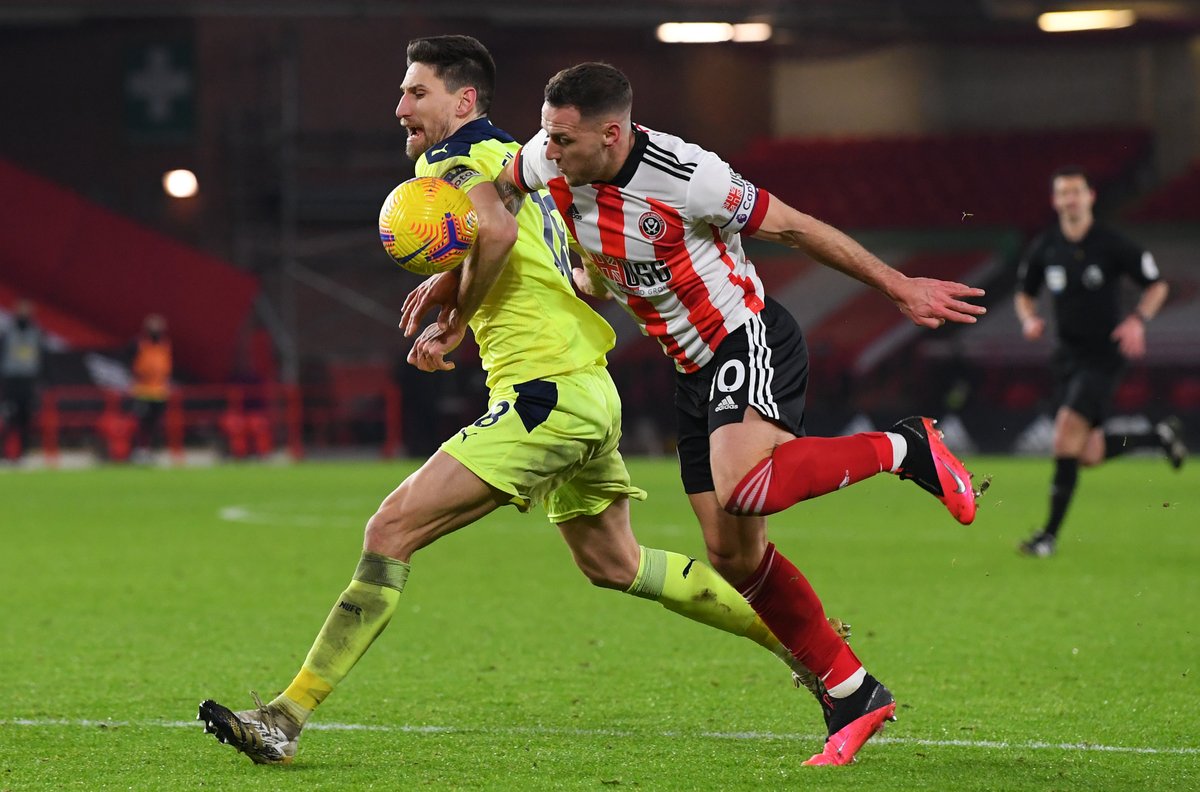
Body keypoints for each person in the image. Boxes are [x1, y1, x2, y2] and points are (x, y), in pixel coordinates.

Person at [197, 35, 848, 766]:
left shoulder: (453, 164)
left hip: (547, 393)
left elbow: (498, 232)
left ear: (463, 100)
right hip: (584, 387)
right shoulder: (526, 156)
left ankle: (285, 717)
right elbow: (528, 242)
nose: (401, 106)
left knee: (390, 530)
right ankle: (810, 654)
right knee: (615, 562)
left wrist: (451, 321)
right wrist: (456, 285)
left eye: (417, 92)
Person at [480, 62, 988, 766]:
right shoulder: (547, 156)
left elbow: (796, 228)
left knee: (746, 485)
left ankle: (907, 447)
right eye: (546, 136)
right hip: (690, 369)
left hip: (745, 336)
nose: (549, 151)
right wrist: (458, 286)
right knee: (733, 555)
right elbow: (494, 188)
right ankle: (853, 691)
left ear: (612, 133)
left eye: (564, 140)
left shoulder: (690, 175)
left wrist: (897, 286)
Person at [1014, 166, 1185, 558]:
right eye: (1062, 193)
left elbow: (1157, 284)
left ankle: (1048, 537)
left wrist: (1138, 320)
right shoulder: (1046, 246)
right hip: (1066, 357)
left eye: (1076, 192)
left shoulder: (1110, 243)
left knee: (1064, 433)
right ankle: (1156, 437)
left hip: (1104, 355)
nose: (1069, 200)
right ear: (1055, 201)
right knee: (1085, 452)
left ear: (1090, 196)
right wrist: (1029, 319)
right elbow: (1025, 293)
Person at [0, 299, 44, 459]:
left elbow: (42, 359)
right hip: (11, 382)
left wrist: (41, 382)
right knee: (7, 419)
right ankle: (4, 455)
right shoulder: (7, 332)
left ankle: (24, 454)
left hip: (28, 382)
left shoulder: (36, 333)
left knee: (26, 420)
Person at [129, 313, 172, 459]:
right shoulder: (139, 343)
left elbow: (166, 367)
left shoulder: (165, 344)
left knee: (156, 424)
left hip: (159, 392)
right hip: (143, 391)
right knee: (142, 423)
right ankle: (139, 451)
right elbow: (132, 365)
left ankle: (150, 451)